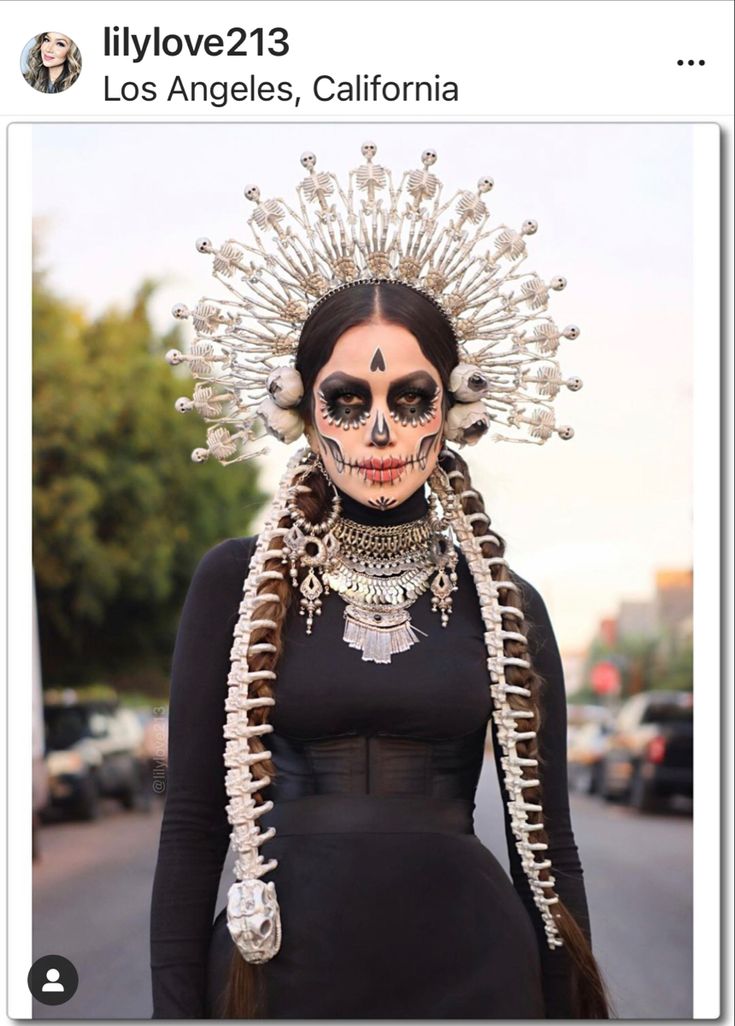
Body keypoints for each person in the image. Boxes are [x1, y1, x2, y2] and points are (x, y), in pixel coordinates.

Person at [150, 143, 611, 1019]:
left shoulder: (504, 603)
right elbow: (191, 829)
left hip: (476, 977)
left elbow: (546, 849)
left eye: (409, 397)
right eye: (348, 400)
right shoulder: (235, 581)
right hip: (273, 978)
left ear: (453, 407)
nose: (379, 432)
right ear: (301, 406)